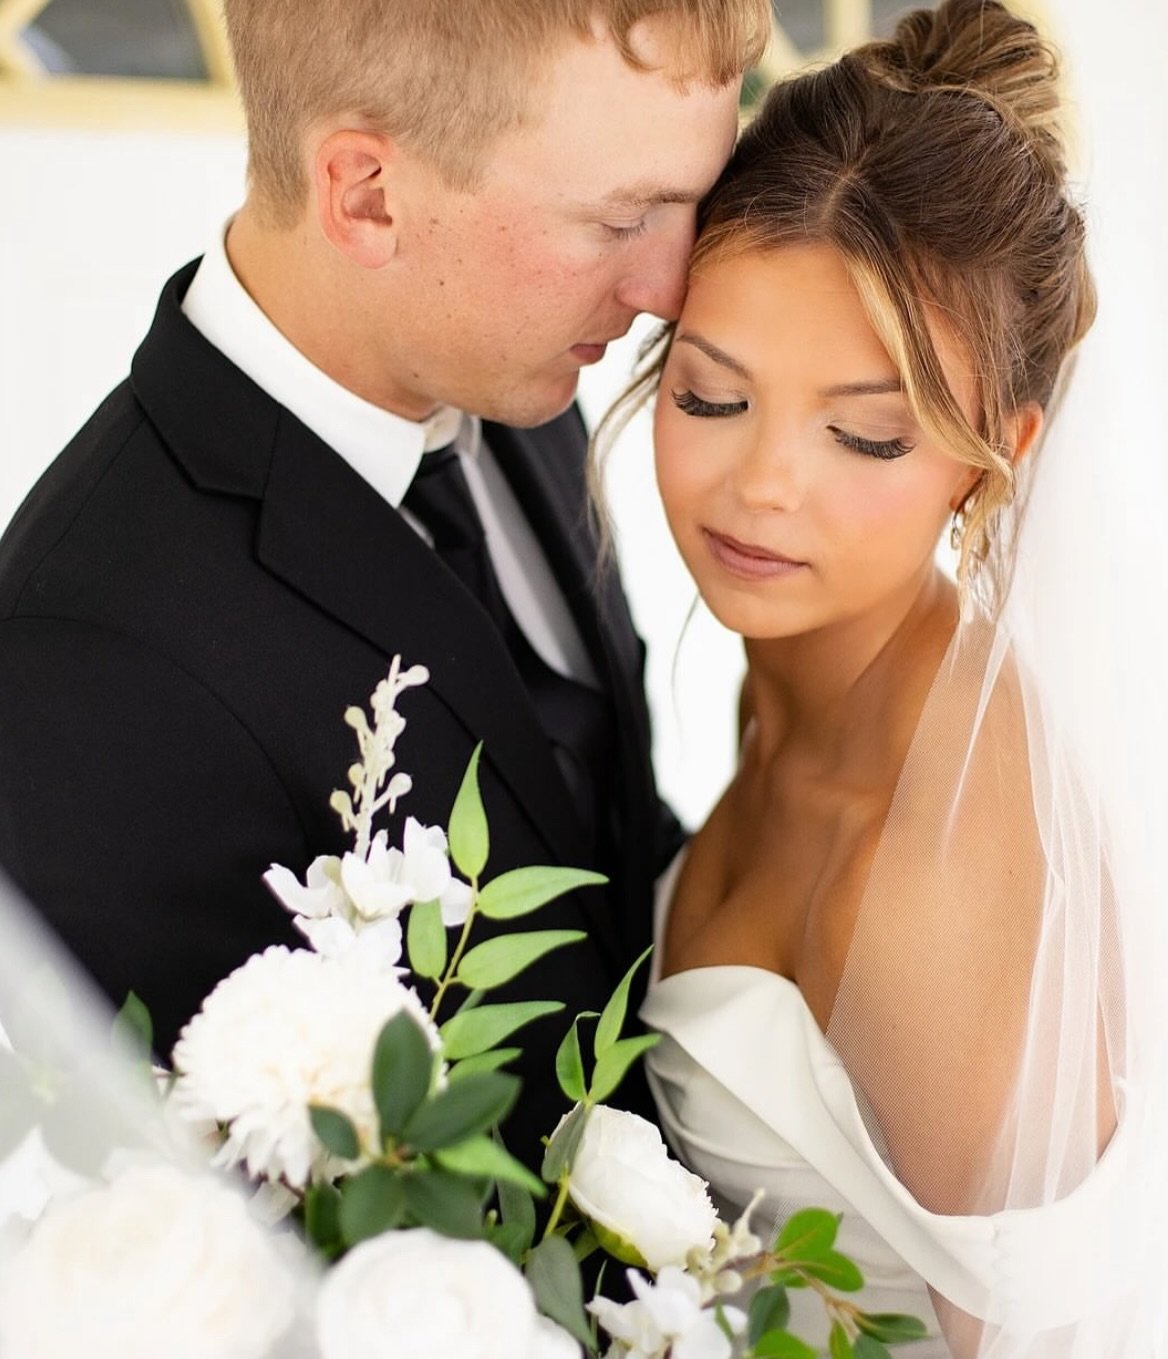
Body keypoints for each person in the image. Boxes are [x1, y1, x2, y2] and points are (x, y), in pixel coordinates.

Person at [619, 0, 1168, 1359]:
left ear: (993, 461)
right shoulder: (792, 660)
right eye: (710, 393)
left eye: (864, 434)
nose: (759, 487)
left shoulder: (948, 866)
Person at [0, 0, 768, 1168]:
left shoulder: (508, 373)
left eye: (687, 201)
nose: (668, 285)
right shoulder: (86, 658)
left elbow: (592, 834)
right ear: (365, 193)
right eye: (621, 217)